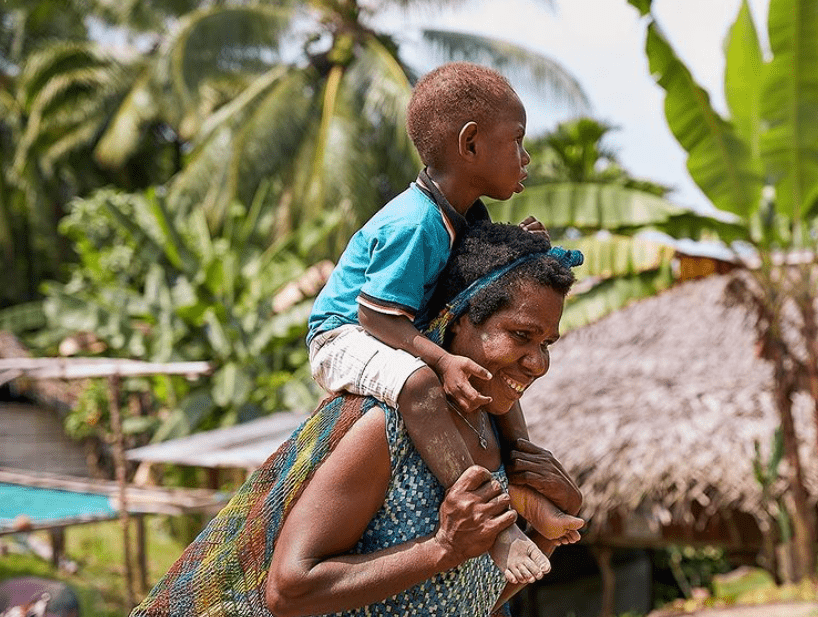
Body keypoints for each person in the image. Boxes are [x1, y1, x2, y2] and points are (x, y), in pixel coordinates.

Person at [131, 221, 584, 617]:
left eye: (547, 344)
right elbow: (288, 589)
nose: (538, 363)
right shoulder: (389, 428)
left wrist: (551, 529)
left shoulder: (492, 429)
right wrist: (441, 548)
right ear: (458, 319)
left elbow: (469, 600)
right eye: (521, 336)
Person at [306, 61, 581, 583]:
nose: (526, 158)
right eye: (517, 142)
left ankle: (521, 480)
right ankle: (496, 527)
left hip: (390, 326)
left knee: (500, 380)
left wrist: (522, 245)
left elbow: (475, 276)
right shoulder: (415, 222)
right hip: (345, 334)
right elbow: (376, 314)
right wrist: (439, 358)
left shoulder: (464, 212)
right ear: (471, 144)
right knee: (420, 386)